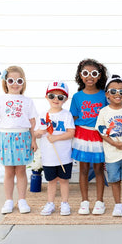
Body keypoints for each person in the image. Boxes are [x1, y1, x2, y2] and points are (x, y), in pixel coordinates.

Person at [0, 66, 37, 214]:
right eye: (11, 80)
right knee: (9, 171)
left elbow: (32, 122)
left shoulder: (27, 101)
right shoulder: (0, 100)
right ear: (5, 82)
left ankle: (21, 199)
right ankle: (8, 200)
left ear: (23, 82)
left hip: (22, 137)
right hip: (6, 138)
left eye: (19, 80)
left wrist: (33, 140)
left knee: (21, 170)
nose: (15, 84)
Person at [96, 75, 122, 216]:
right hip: (112, 153)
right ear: (107, 94)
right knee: (114, 180)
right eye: (113, 91)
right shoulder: (104, 112)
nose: (117, 94)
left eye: (121, 91)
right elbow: (102, 131)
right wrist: (114, 143)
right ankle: (117, 205)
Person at [70, 59, 108, 215]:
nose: (90, 77)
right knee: (84, 169)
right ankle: (84, 201)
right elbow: (72, 118)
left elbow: (109, 115)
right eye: (86, 73)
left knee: (99, 169)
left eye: (94, 73)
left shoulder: (104, 95)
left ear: (99, 76)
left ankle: (100, 201)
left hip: (98, 134)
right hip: (82, 135)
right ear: (80, 75)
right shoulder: (77, 97)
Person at [35, 81, 75, 216]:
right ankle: (50, 203)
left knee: (64, 180)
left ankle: (65, 203)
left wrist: (56, 138)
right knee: (51, 181)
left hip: (64, 155)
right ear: (47, 97)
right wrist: (41, 132)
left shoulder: (67, 114)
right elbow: (36, 134)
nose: (56, 99)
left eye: (60, 97)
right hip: (49, 157)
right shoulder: (43, 115)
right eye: (52, 96)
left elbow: (71, 133)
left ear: (65, 99)